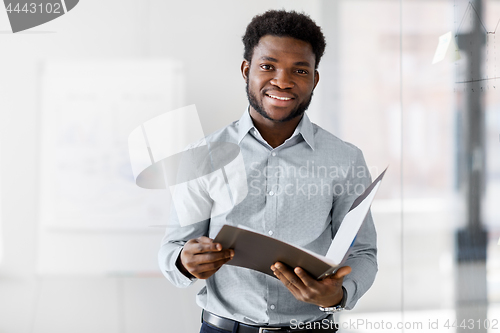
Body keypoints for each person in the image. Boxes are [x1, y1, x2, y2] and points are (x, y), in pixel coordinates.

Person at [159, 9, 377, 333]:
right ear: (247, 70)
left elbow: (363, 253)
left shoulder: (345, 159)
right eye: (268, 66)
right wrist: (185, 262)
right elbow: (173, 249)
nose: (283, 81)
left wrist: (340, 293)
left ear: (314, 79)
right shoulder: (202, 157)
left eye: (299, 70)